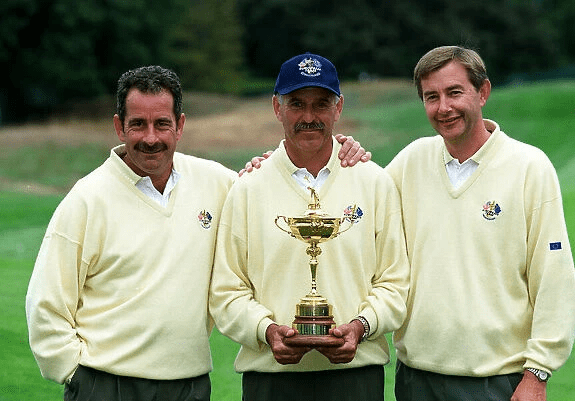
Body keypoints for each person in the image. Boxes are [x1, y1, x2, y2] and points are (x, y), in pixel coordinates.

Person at [25, 65, 370, 401]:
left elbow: (276, 182)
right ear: (119, 127)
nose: (151, 138)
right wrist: (76, 374)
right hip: (105, 384)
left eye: (162, 124)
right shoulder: (86, 199)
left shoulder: (216, 182)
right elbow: (46, 304)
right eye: (138, 124)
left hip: (188, 385)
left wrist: (340, 150)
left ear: (180, 125)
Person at [209, 52, 410, 401]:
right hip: (271, 379)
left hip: (356, 377)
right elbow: (226, 291)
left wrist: (362, 327)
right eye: (297, 104)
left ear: (338, 107)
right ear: (277, 107)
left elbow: (395, 283)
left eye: (321, 104)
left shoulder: (375, 183)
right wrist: (266, 330)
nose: (308, 117)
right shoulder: (248, 188)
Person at [385, 46, 575, 401]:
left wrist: (538, 372)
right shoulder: (410, 161)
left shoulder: (529, 167)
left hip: (496, 382)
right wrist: (339, 154)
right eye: (431, 97)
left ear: (483, 92)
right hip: (414, 379)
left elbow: (554, 277)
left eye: (454, 92)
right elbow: (359, 209)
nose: (444, 107)